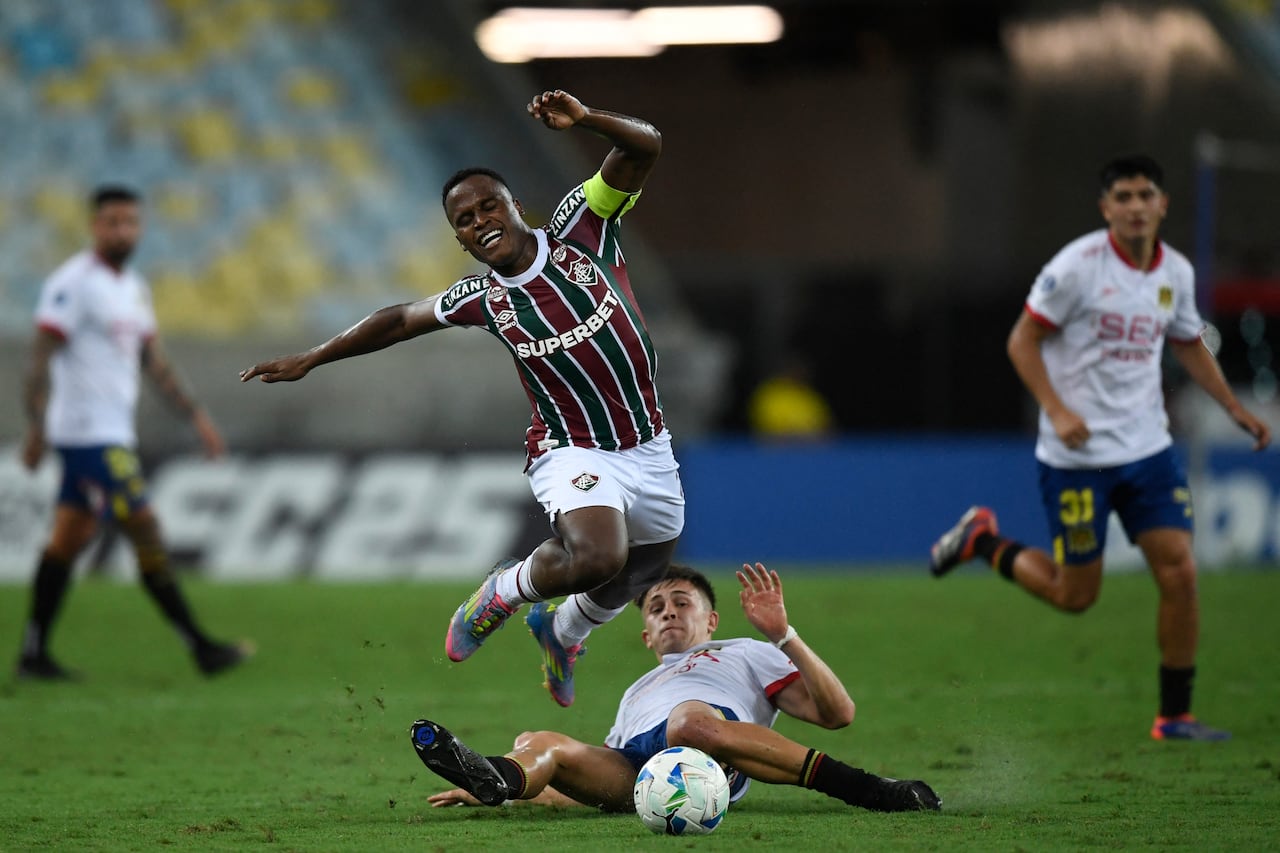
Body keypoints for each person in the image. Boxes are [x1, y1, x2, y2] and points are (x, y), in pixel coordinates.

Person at [240, 90, 684, 707]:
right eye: (466, 221)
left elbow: (645, 144)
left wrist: (585, 120)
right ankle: (503, 592)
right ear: (461, 240)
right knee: (599, 555)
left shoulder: (583, 227)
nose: (480, 222)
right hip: (571, 447)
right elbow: (397, 320)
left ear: (515, 205)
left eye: (488, 206)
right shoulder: (482, 298)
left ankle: (562, 632)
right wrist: (314, 357)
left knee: (644, 567)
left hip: (648, 442)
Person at [928, 155, 1271, 741]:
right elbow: (1021, 340)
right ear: (1106, 207)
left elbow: (1188, 342)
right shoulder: (1077, 268)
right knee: (1074, 595)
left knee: (1180, 571)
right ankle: (983, 540)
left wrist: (1235, 408)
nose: (1136, 206)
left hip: (1147, 449)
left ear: (1162, 204)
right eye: (1124, 196)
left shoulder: (1176, 274)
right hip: (1077, 459)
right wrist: (1057, 411)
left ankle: (1175, 716)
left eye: (1146, 195)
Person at [410, 562, 940, 813]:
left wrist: (784, 636)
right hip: (640, 769)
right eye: (657, 608)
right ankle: (493, 774)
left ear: (711, 621)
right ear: (645, 636)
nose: (668, 612)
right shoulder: (638, 689)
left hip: (709, 751)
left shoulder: (745, 653)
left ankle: (874, 791)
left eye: (682, 602)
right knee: (540, 741)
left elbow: (838, 712)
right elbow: (594, 787)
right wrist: (510, 789)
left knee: (689, 720)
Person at [16, 184, 252, 681]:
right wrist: (35, 428)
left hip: (113, 435)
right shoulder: (73, 283)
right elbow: (40, 358)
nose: (122, 230)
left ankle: (33, 653)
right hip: (86, 436)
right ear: (94, 226)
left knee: (66, 540)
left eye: (130, 222)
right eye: (112, 221)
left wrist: (197, 417)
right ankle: (201, 647)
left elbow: (153, 362)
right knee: (144, 526)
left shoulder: (132, 289)